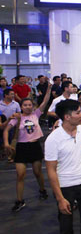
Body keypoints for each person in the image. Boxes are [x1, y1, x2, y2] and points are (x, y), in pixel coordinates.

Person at [45, 99, 81, 234]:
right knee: (66, 226)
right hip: (66, 187)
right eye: (78, 112)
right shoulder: (53, 139)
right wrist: (60, 198)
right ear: (67, 116)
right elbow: (51, 170)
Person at [3, 83, 52, 211]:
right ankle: (19, 200)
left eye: (30, 105)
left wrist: (49, 89)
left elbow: (45, 101)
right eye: (25, 105)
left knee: (37, 172)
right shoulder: (17, 118)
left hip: (35, 146)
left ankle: (42, 190)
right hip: (21, 148)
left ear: (33, 106)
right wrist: (6, 144)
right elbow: (6, 130)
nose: (28, 107)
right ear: (21, 107)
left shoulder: (36, 114)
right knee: (20, 175)